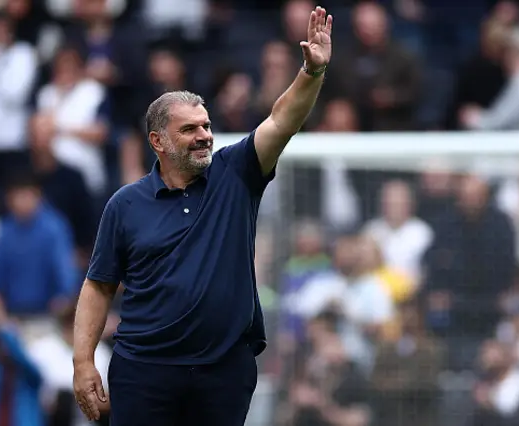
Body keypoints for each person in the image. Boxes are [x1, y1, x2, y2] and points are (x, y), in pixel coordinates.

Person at [72, 6, 332, 426]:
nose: (205, 135)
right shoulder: (125, 204)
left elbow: (282, 120)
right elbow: (98, 287)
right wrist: (83, 362)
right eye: (190, 129)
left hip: (223, 373)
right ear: (157, 141)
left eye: (206, 125)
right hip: (143, 372)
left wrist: (311, 72)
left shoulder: (237, 173)